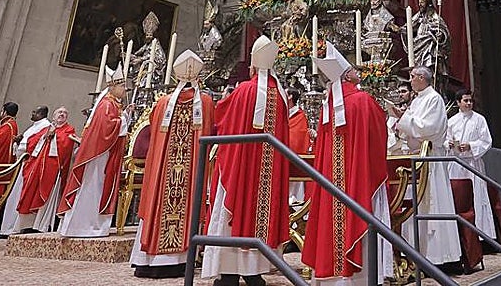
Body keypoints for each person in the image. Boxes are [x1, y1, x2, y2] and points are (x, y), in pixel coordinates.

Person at [203, 35, 291, 286]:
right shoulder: (281, 95)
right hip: (268, 172)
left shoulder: (244, 90)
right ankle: (255, 272)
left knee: (235, 211)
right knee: (261, 212)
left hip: (241, 168)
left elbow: (223, 120)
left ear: (253, 64)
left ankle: (229, 273)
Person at [302, 43, 392, 286]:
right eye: (352, 68)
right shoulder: (363, 100)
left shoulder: (328, 106)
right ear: (346, 75)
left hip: (333, 181)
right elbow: (379, 136)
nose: (356, 70)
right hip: (359, 179)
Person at [131, 50, 216, 278]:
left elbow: (152, 126)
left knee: (160, 200)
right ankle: (178, 261)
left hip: (164, 170)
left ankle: (148, 260)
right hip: (189, 172)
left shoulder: (163, 103)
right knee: (185, 203)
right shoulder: (205, 103)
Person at [389, 66, 460, 269]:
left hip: (430, 159)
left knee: (433, 203)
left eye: (412, 77)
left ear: (421, 78)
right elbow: (410, 127)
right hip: (416, 157)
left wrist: (404, 119)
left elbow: (429, 128)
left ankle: (439, 258)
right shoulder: (418, 99)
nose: (409, 81)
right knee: (418, 206)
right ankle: (417, 255)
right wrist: (400, 121)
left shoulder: (433, 99)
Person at [59, 68, 128, 237]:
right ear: (113, 87)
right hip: (99, 155)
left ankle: (89, 225)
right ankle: (84, 226)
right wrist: (124, 118)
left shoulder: (112, 104)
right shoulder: (106, 104)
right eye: (123, 86)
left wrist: (124, 115)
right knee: (92, 187)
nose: (125, 89)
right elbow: (107, 128)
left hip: (102, 154)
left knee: (96, 188)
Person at [447, 92, 496, 270]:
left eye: (470, 100)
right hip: (457, 163)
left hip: (473, 163)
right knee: (459, 201)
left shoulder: (479, 119)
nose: (469, 103)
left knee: (477, 198)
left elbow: (486, 141)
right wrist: (451, 145)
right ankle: (462, 238)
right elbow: (445, 139)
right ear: (458, 102)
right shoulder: (452, 121)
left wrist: (471, 146)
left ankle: (481, 237)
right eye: (465, 100)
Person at [16, 107, 76, 233]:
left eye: (65, 113)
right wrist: (45, 136)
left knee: (46, 196)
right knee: (31, 192)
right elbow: (32, 141)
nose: (62, 114)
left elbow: (66, 145)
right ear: (53, 117)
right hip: (37, 167)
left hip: (53, 170)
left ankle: (42, 225)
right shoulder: (45, 129)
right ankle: (28, 224)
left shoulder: (69, 130)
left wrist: (54, 137)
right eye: (59, 112)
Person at [0, 106, 51, 236]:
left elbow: (33, 144)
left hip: (30, 165)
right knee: (14, 197)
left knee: (19, 197)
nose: (32, 113)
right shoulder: (35, 126)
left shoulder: (45, 126)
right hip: (23, 164)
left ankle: (13, 228)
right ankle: (8, 228)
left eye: (34, 111)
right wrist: (19, 141)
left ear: (41, 114)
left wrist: (21, 141)